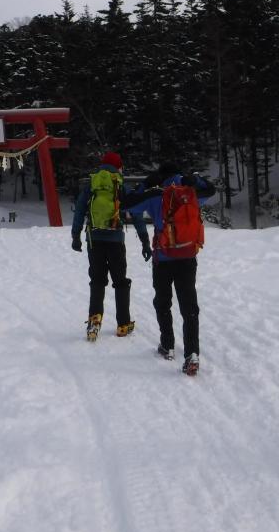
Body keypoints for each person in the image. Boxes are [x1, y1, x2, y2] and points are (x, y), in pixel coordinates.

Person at [124, 162, 215, 376]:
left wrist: (144, 186)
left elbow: (127, 205)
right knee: (189, 306)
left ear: (160, 176)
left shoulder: (156, 195)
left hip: (163, 259)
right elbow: (211, 190)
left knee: (163, 302)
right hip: (187, 257)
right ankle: (192, 354)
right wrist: (195, 179)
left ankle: (167, 345)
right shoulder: (190, 193)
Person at [71, 152, 152, 341]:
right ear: (118, 166)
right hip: (115, 240)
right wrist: (145, 241)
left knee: (97, 280)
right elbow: (136, 214)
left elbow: (80, 209)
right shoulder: (121, 185)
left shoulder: (92, 184)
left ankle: (94, 320)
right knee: (120, 281)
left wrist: (76, 236)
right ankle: (123, 324)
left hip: (94, 239)